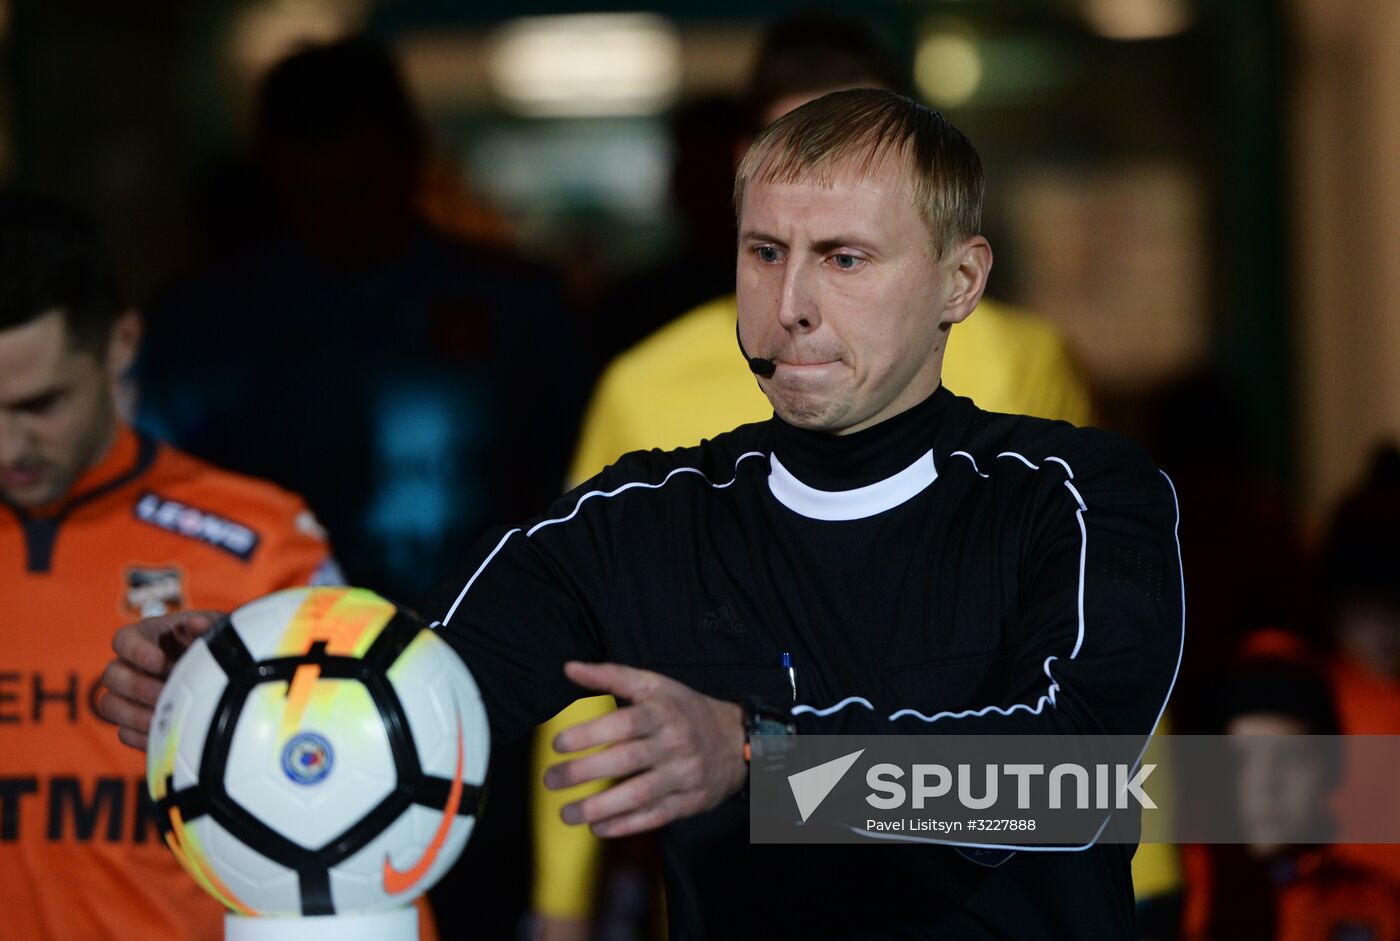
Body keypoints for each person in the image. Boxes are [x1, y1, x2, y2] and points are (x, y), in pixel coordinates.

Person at [100, 89, 1183, 939]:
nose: (791, 303)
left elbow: (1066, 774)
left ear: (959, 281)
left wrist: (763, 759)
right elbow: (421, 685)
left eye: (844, 259)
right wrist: (234, 689)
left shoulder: (1076, 493)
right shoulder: (638, 518)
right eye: (765, 253)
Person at [533, 12, 1102, 933]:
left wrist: (1140, 852)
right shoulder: (643, 386)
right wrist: (561, 899)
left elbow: (1092, 645)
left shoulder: (1018, 362)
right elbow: (579, 658)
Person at [0, 194, 352, 939]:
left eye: (41, 403)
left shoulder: (261, 542)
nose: (8, 447)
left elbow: (366, 809)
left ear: (122, 343)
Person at [1181, 630, 1400, 941]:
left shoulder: (1375, 913)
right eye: (1243, 759)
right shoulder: (1178, 896)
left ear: (1328, 770)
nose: (1264, 783)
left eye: (1289, 759)